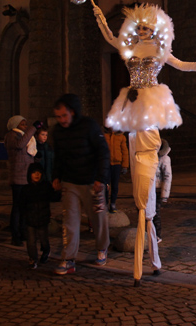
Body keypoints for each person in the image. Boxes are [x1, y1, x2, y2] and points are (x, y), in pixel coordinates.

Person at [93, 3, 196, 285]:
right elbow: (110, 38)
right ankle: (152, 253)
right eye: (139, 28)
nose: (142, 32)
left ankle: (147, 248)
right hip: (133, 112)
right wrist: (97, 15)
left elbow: (179, 64)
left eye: (146, 28)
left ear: (154, 30)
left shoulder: (158, 51)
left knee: (145, 185)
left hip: (149, 109)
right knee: (138, 185)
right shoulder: (131, 49)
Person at [51, 94, 110, 275]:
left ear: (73, 112)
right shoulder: (58, 132)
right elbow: (58, 157)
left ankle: (102, 248)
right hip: (70, 182)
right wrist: (56, 177)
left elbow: (103, 152)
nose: (61, 120)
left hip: (92, 182)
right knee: (70, 221)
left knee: (98, 218)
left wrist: (101, 178)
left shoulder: (89, 126)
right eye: (58, 117)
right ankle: (68, 259)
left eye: (64, 116)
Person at [4, 115, 39, 246]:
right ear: (15, 125)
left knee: (25, 207)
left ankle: (23, 231)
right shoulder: (12, 136)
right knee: (18, 207)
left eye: (26, 124)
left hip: (26, 177)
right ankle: (15, 234)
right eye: (22, 124)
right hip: (18, 177)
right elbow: (20, 145)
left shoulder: (23, 136)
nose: (25, 126)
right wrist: (32, 129)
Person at [20, 163, 57, 269]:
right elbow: (22, 204)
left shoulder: (46, 186)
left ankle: (46, 252)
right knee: (31, 242)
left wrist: (57, 190)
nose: (37, 175)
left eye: (39, 172)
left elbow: (53, 197)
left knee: (43, 239)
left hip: (43, 218)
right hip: (30, 219)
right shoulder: (26, 189)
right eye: (34, 173)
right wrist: (24, 217)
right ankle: (33, 258)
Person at [104, 128, 129, 213]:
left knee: (115, 185)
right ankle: (106, 203)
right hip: (106, 164)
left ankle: (113, 203)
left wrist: (125, 165)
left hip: (117, 164)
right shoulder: (104, 135)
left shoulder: (121, 137)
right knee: (106, 185)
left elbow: (124, 151)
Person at [151, 139, 172, 242]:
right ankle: (150, 233)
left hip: (158, 189)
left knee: (156, 213)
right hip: (150, 187)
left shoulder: (165, 159)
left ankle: (157, 235)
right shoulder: (151, 157)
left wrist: (164, 194)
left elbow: (167, 177)